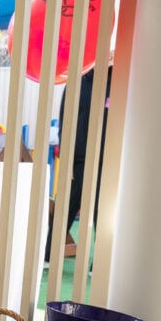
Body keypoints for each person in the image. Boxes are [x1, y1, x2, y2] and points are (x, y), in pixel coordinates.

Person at [45, 65, 112, 262]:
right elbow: (66, 121)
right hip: (79, 158)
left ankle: (99, 262)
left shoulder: (119, 81)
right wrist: (66, 158)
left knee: (103, 211)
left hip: (106, 158)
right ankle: (48, 255)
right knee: (66, 207)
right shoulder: (78, 81)